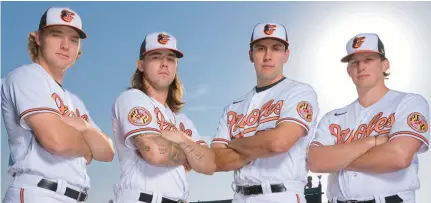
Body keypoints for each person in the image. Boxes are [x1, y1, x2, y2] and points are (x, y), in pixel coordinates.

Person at [1, 7, 114, 203]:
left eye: (73, 40)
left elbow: (107, 152)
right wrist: (89, 146)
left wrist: (84, 127)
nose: (65, 45)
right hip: (38, 193)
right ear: (37, 37)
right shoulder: (26, 76)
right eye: (56, 35)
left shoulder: (75, 101)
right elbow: (56, 141)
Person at [308, 33, 430, 203]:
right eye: (355, 62)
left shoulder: (408, 103)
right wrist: (371, 142)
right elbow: (315, 162)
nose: (361, 67)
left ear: (384, 65)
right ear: (349, 70)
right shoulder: (333, 118)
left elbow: (398, 157)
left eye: (369, 59)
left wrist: (337, 159)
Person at [210, 22, 319, 203]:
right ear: (251, 55)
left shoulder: (299, 92)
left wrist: (234, 143)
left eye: (276, 48)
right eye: (260, 48)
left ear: (286, 55)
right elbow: (216, 160)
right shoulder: (233, 107)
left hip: (282, 195)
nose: (268, 56)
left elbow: (278, 143)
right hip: (240, 197)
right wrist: (261, 144)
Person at [111, 31, 216, 203]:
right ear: (140, 64)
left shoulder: (181, 120)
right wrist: (192, 154)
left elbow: (209, 165)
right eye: (156, 57)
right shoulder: (132, 99)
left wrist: (180, 138)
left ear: (176, 67)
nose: (164, 64)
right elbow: (154, 152)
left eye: (170, 59)